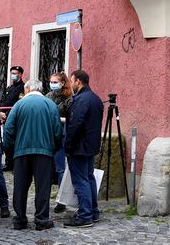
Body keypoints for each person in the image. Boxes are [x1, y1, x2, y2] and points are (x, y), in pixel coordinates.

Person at [3, 80, 62, 231]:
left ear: (27, 89)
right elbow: (57, 130)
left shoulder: (19, 105)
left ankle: (20, 220)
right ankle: (41, 220)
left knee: (20, 187)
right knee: (43, 187)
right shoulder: (50, 105)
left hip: (21, 151)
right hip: (44, 151)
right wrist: (54, 148)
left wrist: (10, 150)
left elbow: (9, 129)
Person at [63, 70, 103, 228]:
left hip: (79, 147)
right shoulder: (95, 98)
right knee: (89, 178)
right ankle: (93, 211)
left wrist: (68, 145)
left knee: (81, 181)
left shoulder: (81, 100)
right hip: (90, 146)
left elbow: (75, 124)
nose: (70, 84)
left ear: (78, 81)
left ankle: (85, 215)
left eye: (71, 80)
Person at [46, 72, 72, 213]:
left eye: (55, 82)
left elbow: (72, 118)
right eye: (51, 81)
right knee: (48, 167)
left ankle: (61, 201)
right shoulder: (49, 96)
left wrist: (58, 118)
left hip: (62, 134)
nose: (53, 84)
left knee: (60, 168)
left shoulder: (69, 98)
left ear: (62, 83)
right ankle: (45, 195)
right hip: (49, 134)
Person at [0, 66, 25, 172]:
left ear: (20, 74)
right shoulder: (9, 88)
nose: (13, 75)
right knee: (7, 143)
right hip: (6, 117)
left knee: (16, 143)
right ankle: (9, 163)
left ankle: (16, 166)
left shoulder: (23, 88)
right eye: (12, 73)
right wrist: (1, 112)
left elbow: (19, 103)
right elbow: (4, 102)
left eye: (15, 73)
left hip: (16, 118)